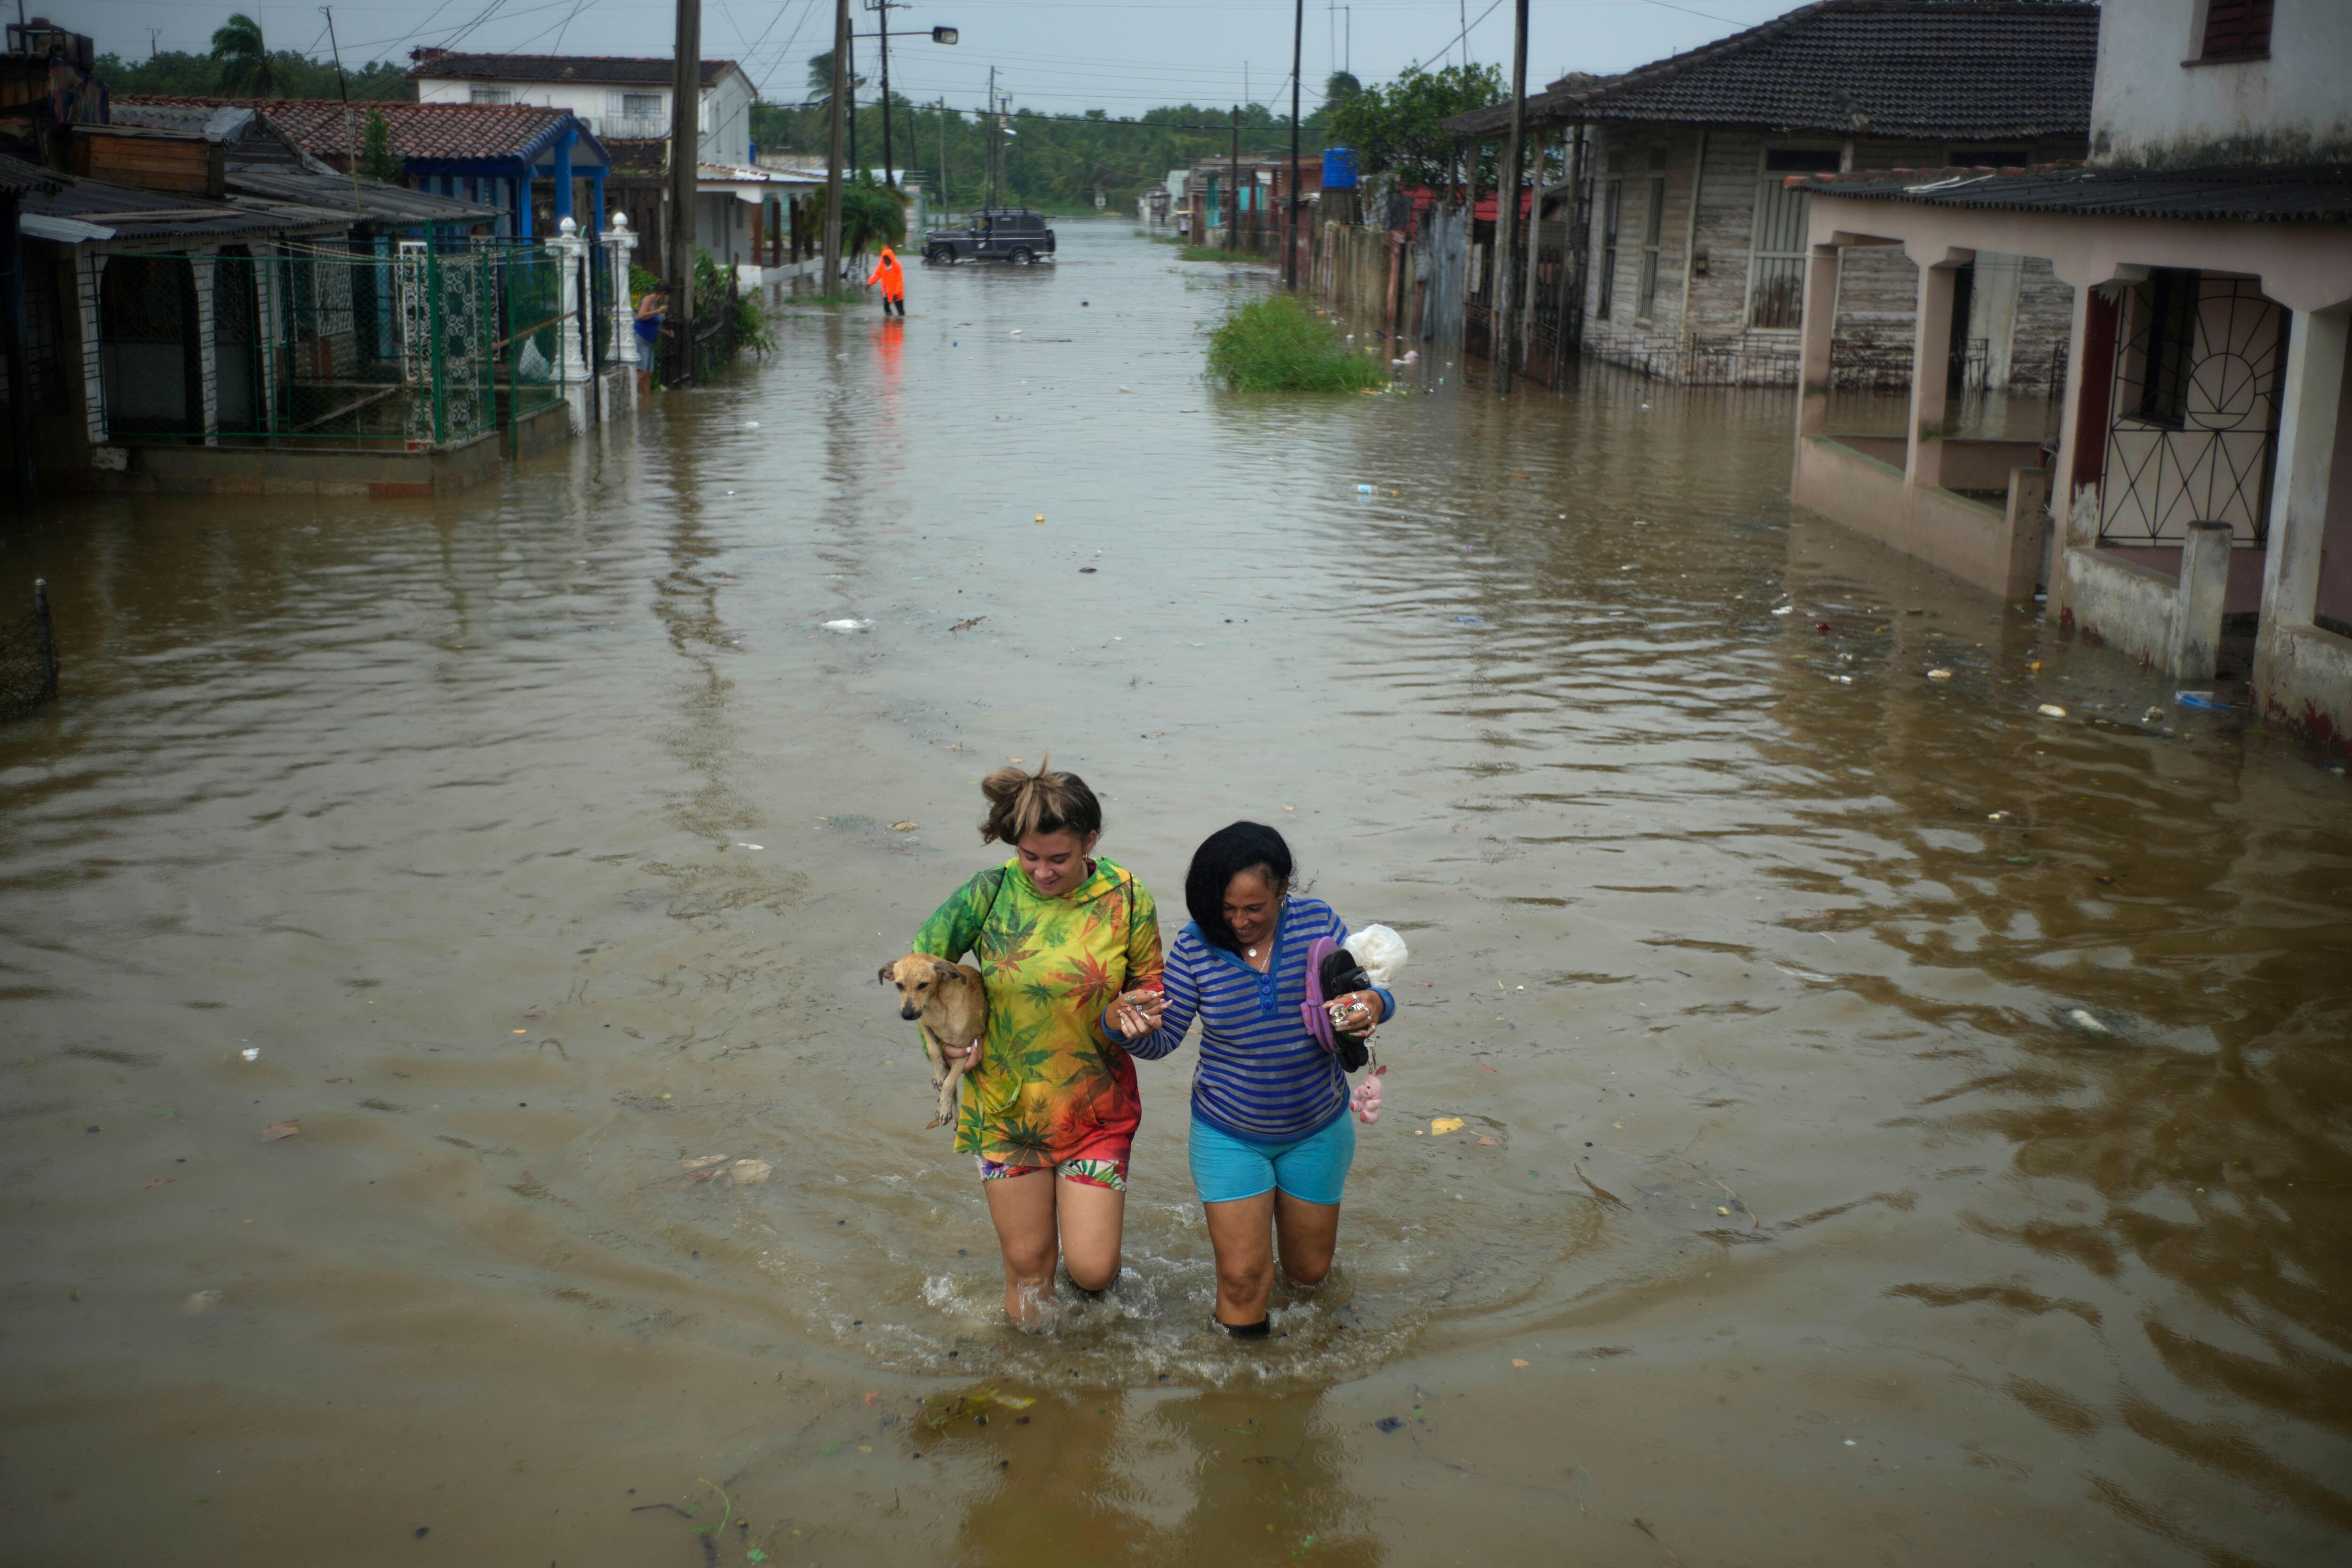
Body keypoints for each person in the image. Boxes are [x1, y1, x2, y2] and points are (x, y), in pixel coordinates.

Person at [1108, 823, 1394, 1339]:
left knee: (1309, 1275)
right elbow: (1162, 1040)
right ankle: (1242, 1397)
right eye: (1226, 908)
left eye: (1253, 908)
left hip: (1317, 1128)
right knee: (1241, 1280)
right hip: (1228, 1133)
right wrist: (1120, 1022)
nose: (1238, 922)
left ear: (1283, 891)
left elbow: (1366, 994)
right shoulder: (1194, 946)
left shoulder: (1318, 923)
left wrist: (1372, 1005)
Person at [912, 762, 1162, 1328]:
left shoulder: (1126, 895)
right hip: (1005, 1107)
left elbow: (1152, 985)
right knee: (1028, 1270)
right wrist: (945, 1047)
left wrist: (1135, 1014)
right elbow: (918, 969)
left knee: (1094, 1270)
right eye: (1030, 857)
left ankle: (1092, 1326)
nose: (1042, 873)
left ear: (1089, 842)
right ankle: (1032, 1393)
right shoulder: (988, 892)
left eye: (1058, 859)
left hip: (1096, 1107)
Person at [633, 285, 666, 394]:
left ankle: (646, 401)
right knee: (641, 372)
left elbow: (651, 324)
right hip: (642, 339)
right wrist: (659, 311)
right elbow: (641, 316)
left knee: (648, 373)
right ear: (663, 293)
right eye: (665, 296)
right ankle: (631, 396)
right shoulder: (649, 299)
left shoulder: (655, 304)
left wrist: (665, 332)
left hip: (650, 342)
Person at [866, 244, 905, 316]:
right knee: (886, 309)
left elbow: (900, 281)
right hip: (887, 292)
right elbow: (877, 275)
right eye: (885, 259)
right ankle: (889, 323)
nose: (886, 260)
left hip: (897, 293)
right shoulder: (882, 266)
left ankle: (899, 324)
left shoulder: (897, 266)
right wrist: (869, 284)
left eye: (888, 258)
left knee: (901, 313)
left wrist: (896, 293)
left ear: (891, 258)